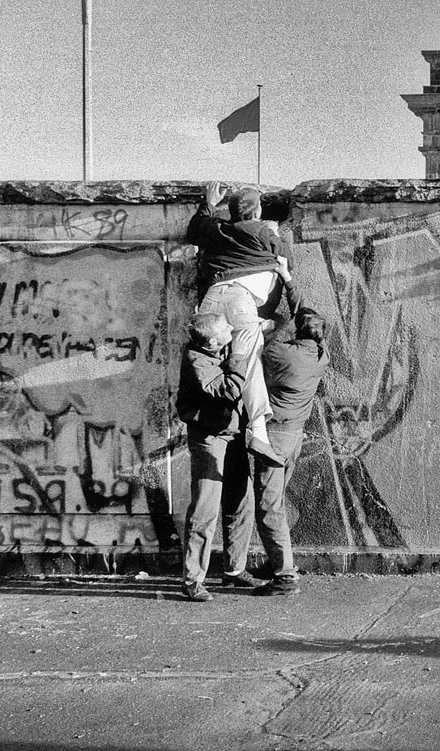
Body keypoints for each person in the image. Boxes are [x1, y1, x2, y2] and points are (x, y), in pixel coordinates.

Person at [186, 182, 284, 466]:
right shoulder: (263, 231)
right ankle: (258, 432)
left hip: (212, 299)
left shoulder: (219, 228)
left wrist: (209, 203)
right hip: (241, 300)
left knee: (205, 358)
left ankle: (208, 424)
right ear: (259, 211)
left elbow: (195, 229)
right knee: (250, 362)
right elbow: (283, 258)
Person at [176, 312, 264, 602]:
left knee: (242, 500)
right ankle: (192, 580)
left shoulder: (216, 346)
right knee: (205, 508)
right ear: (213, 341)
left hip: (232, 433)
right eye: (227, 327)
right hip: (208, 438)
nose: (231, 328)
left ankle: (234, 571)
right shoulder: (196, 361)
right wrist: (239, 354)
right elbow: (229, 389)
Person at [247, 310, 330, 597]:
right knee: (277, 501)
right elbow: (307, 316)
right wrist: (289, 281)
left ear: (298, 331)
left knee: (269, 507)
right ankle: (277, 563)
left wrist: (277, 324)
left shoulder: (280, 353)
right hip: (294, 436)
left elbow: (261, 345)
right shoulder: (321, 354)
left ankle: (285, 575)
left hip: (274, 438)